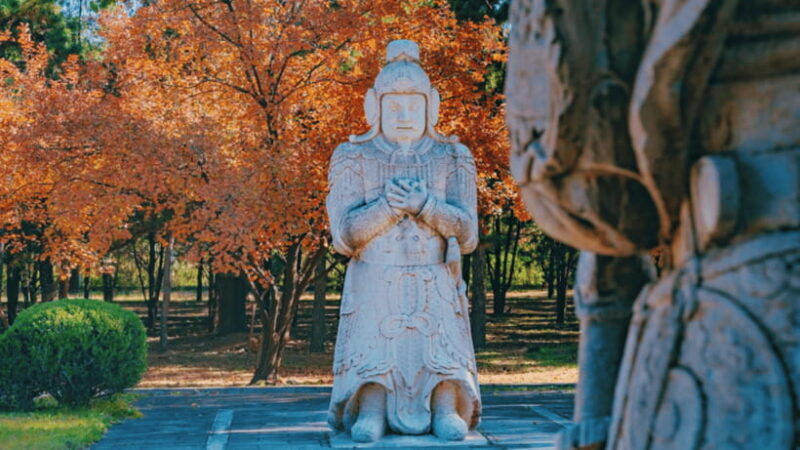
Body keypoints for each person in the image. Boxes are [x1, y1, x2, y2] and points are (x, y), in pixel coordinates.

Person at [326, 40, 481, 443]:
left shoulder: (452, 156)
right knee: (377, 347)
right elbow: (343, 236)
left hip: (436, 274)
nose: (405, 114)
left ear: (432, 104)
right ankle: (371, 408)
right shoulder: (352, 156)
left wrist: (426, 204)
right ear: (373, 106)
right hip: (375, 275)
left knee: (440, 349)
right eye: (394, 104)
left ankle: (445, 405)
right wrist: (387, 208)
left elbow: (467, 232)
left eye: (414, 104)